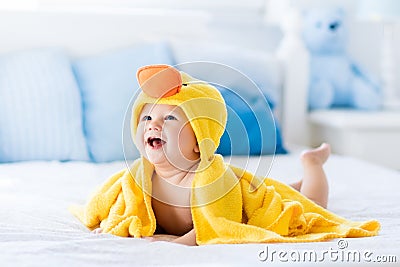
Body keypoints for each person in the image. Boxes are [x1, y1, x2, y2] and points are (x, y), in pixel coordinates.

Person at [72, 64, 379, 246]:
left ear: (199, 143)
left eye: (170, 119)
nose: (154, 125)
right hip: (245, 186)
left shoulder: (209, 176)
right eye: (147, 119)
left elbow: (216, 223)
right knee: (280, 187)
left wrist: (177, 242)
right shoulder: (138, 177)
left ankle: (311, 165)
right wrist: (115, 223)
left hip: (245, 201)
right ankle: (294, 180)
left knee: (303, 205)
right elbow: (119, 204)